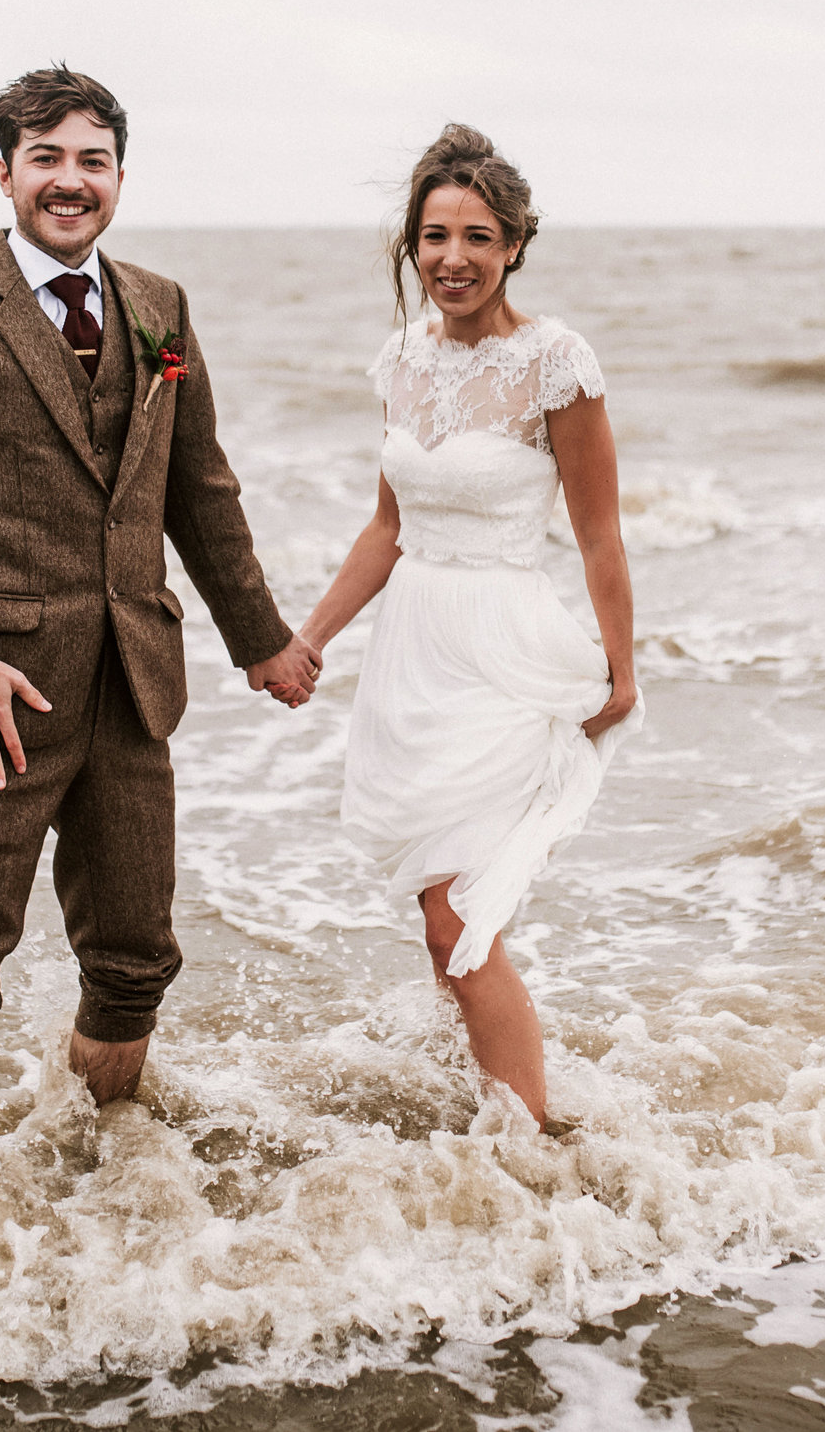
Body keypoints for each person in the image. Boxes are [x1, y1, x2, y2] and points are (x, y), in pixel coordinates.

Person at [0, 66, 322, 1185]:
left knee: (132, 959)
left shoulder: (160, 305)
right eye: (47, 158)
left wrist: (261, 639)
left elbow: (198, 490)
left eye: (92, 160)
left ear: (118, 175)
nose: (71, 181)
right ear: (5, 173)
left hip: (133, 687)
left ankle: (97, 1181)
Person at [291, 125, 637, 1126]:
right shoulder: (398, 360)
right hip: (413, 659)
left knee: (460, 920)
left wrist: (621, 673)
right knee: (439, 914)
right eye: (435, 235)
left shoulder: (555, 361)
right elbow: (387, 527)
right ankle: (505, 1096)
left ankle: (530, 1142)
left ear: (514, 245)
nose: (453, 258)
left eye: (477, 236)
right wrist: (310, 637)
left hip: (504, 651)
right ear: (411, 242)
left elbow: (599, 533)